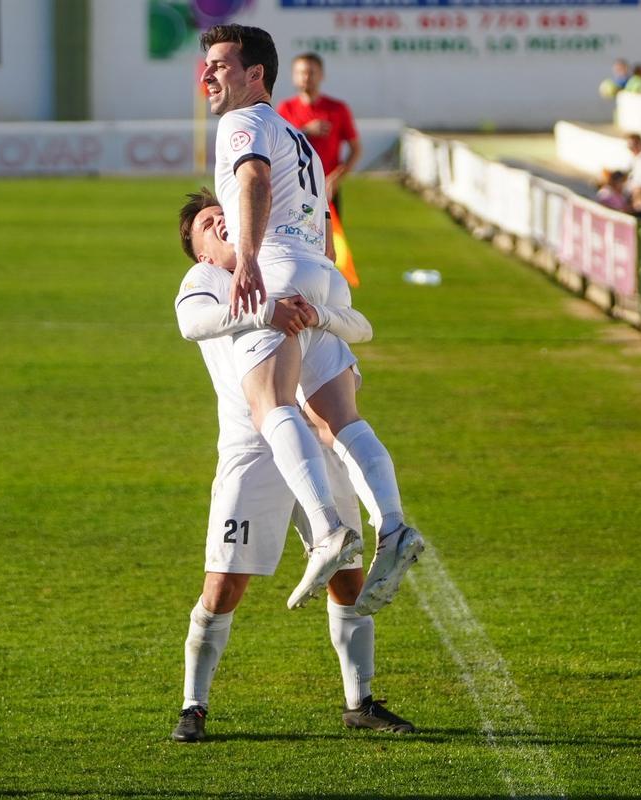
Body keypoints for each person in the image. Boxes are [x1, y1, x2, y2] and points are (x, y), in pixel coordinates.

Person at [171, 188, 417, 743]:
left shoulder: (283, 266)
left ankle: (360, 702)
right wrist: (265, 310)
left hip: (316, 444)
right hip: (252, 449)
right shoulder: (204, 279)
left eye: (223, 214)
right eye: (208, 224)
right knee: (224, 583)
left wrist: (318, 314)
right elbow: (193, 323)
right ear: (202, 251)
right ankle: (193, 705)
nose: (221, 223)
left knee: (348, 576)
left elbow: (356, 327)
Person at [199, 24, 422, 615]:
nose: (208, 74)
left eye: (220, 64)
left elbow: (252, 179)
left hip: (276, 264)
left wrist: (248, 259)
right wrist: (318, 283)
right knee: (338, 417)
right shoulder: (298, 137)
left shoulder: (241, 122)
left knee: (269, 404)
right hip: (320, 270)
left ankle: (327, 529)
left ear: (255, 75)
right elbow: (321, 220)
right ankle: (394, 524)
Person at [276, 52, 362, 217]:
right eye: (301, 72)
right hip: (296, 187)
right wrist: (305, 131)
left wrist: (336, 178)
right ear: (294, 76)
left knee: (329, 233)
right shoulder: (286, 108)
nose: (306, 77)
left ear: (321, 75)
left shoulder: (337, 109)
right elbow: (279, 145)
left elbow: (356, 149)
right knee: (297, 232)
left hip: (327, 187)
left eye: (311, 72)